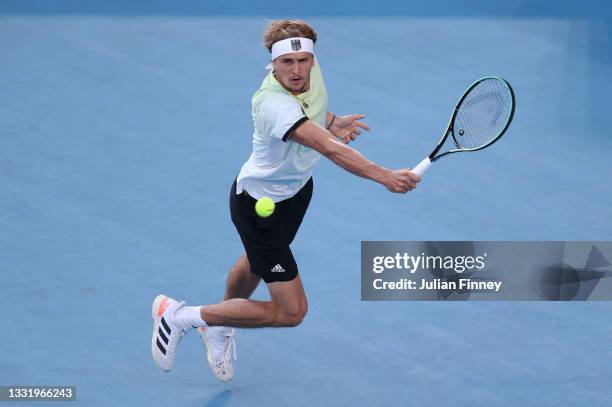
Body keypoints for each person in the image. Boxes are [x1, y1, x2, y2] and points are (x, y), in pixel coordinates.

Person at [151, 19, 420, 382]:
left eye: (303, 61)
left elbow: (315, 112)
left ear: (312, 58)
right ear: (272, 64)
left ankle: (219, 326)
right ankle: (181, 316)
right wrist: (385, 175)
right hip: (259, 207)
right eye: (287, 63)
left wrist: (333, 119)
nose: (297, 70)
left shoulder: (310, 69)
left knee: (256, 262)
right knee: (291, 312)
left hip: (295, 196)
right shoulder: (272, 105)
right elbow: (327, 148)